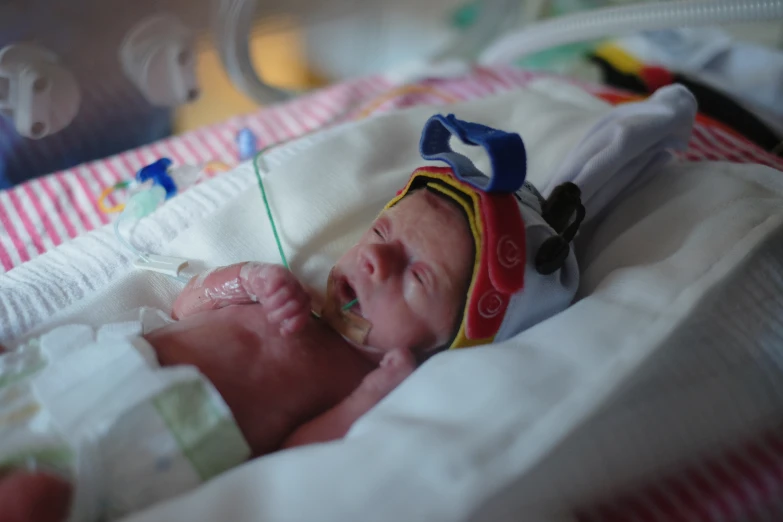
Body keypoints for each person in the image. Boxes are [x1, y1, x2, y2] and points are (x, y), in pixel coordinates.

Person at [0, 115, 584, 522]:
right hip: (69, 369)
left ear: (453, 335)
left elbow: (301, 450)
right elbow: (183, 306)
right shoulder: (294, 293)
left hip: (139, 445)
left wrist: (367, 400)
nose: (376, 258)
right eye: (380, 232)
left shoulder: (355, 378)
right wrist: (244, 279)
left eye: (416, 275)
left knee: (31, 502)